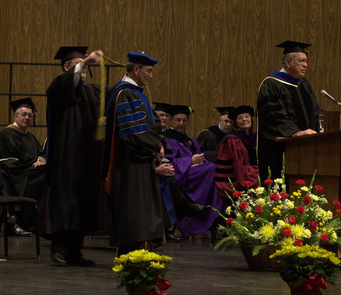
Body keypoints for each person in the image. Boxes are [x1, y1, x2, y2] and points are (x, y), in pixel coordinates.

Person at [46, 46, 104, 266]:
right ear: (66, 67)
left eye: (85, 65)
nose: (84, 69)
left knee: (83, 204)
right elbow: (65, 86)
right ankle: (60, 249)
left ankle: (74, 251)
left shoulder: (90, 91)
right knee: (67, 203)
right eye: (78, 64)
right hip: (66, 158)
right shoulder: (58, 87)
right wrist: (86, 62)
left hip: (87, 158)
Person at [103, 52, 164, 255]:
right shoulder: (126, 93)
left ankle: (138, 255)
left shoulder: (135, 93)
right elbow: (134, 132)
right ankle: (132, 258)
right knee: (134, 213)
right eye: (148, 71)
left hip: (138, 162)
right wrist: (155, 147)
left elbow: (150, 125)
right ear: (136, 69)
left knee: (139, 213)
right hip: (130, 166)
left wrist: (158, 144)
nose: (151, 76)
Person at [257, 40, 321, 181]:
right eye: (301, 61)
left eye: (306, 61)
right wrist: (295, 132)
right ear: (288, 62)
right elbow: (273, 116)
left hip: (306, 149)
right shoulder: (271, 84)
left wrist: (319, 131)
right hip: (279, 151)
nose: (305, 65)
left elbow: (315, 112)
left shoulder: (304, 85)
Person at [163, 105, 224, 237]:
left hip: (197, 174)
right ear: (171, 122)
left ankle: (213, 216)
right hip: (182, 175)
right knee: (212, 169)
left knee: (214, 170)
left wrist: (199, 162)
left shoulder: (190, 141)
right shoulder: (167, 140)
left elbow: (201, 157)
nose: (181, 124)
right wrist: (190, 162)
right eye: (178, 120)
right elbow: (169, 163)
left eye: (184, 121)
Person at [0, 97, 46, 235]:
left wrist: (41, 160)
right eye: (24, 114)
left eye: (30, 115)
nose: (27, 118)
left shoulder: (30, 137)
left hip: (28, 172)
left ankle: (40, 223)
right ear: (15, 115)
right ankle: (25, 222)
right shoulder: (8, 134)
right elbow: (15, 158)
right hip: (14, 174)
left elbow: (41, 154)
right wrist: (35, 160)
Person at [215, 105, 259, 203]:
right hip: (242, 180)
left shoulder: (256, 137)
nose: (244, 119)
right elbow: (238, 167)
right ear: (236, 123)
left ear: (251, 119)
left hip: (254, 176)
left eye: (247, 117)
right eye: (240, 118)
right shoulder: (233, 140)